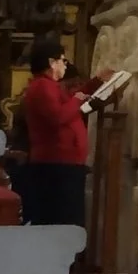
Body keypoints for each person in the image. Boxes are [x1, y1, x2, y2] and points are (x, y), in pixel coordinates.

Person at [14, 36, 91, 229]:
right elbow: (58, 117)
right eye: (63, 60)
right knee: (60, 222)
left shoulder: (50, 86)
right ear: (51, 62)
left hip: (65, 165)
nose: (65, 65)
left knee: (68, 221)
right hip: (56, 166)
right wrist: (80, 97)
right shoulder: (42, 86)